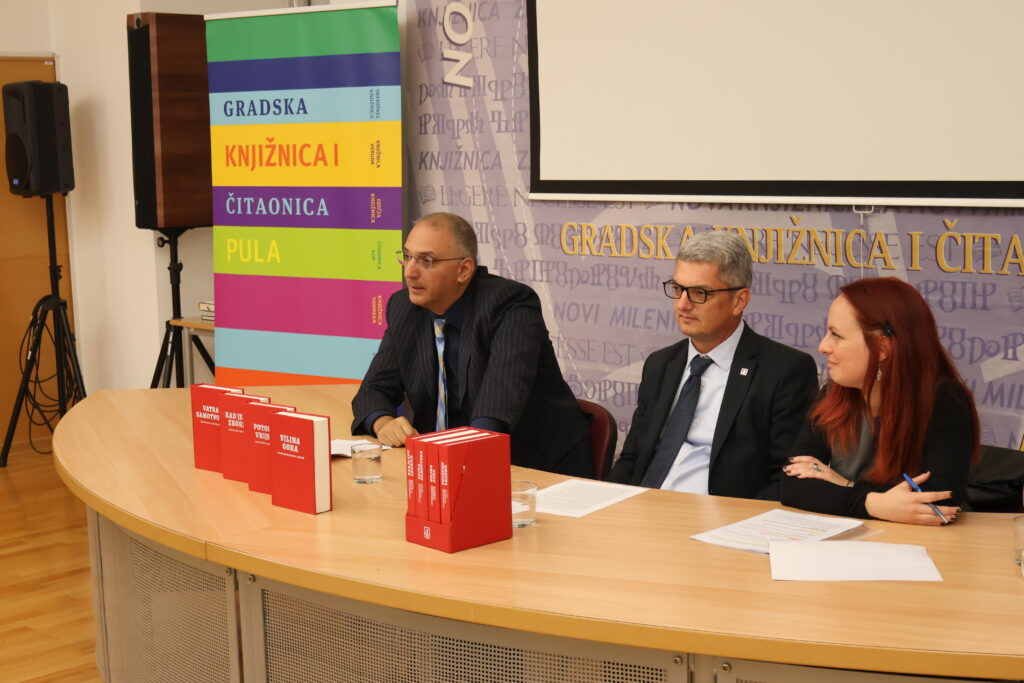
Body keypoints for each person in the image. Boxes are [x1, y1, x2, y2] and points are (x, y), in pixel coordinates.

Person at [351, 212, 594, 477]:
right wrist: (382, 422)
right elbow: (373, 390)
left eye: (426, 261)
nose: (410, 272)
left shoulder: (510, 305)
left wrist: (454, 466)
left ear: (464, 269)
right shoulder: (404, 308)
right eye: (407, 257)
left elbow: (494, 412)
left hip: (535, 467)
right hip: (443, 466)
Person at [608, 230, 819, 498]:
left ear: (739, 301)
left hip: (722, 514)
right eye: (677, 289)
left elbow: (786, 477)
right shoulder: (661, 364)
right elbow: (632, 458)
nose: (682, 305)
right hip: (643, 508)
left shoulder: (784, 371)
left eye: (700, 293)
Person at [780, 277, 979, 525]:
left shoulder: (944, 401)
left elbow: (935, 504)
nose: (823, 346)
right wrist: (872, 503)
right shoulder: (832, 392)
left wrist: (845, 485)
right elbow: (792, 484)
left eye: (836, 335)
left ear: (882, 348)